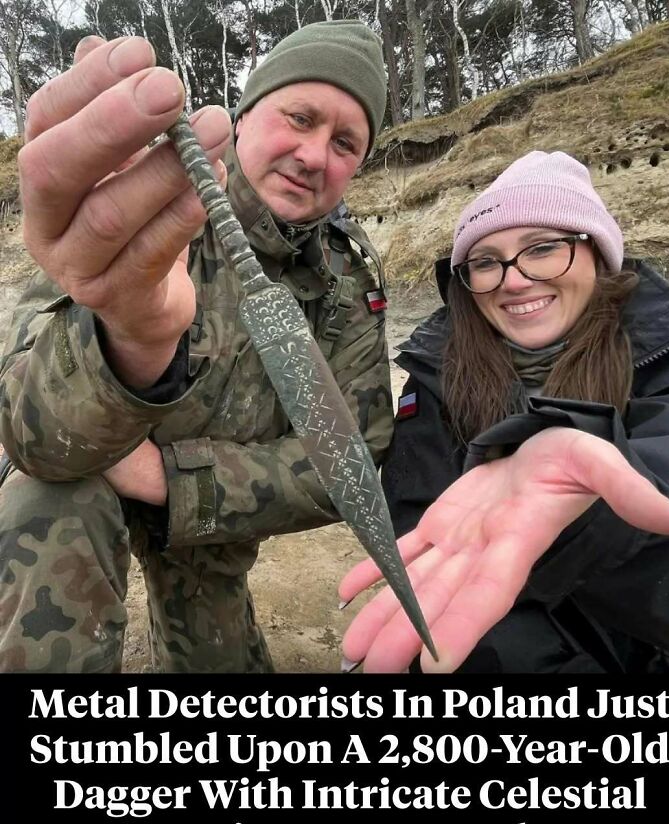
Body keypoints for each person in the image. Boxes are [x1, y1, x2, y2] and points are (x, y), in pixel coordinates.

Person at [0, 21, 393, 672]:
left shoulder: (345, 282)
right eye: (300, 117)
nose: (315, 154)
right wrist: (127, 337)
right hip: (83, 483)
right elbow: (27, 431)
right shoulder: (138, 202)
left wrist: (174, 479)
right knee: (44, 506)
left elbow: (350, 460)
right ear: (244, 113)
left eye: (346, 142)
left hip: (206, 523)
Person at [339, 151, 669, 674]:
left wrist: (585, 514)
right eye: (486, 261)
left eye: (543, 248)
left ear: (597, 254)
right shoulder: (436, 375)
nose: (513, 279)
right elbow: (421, 534)